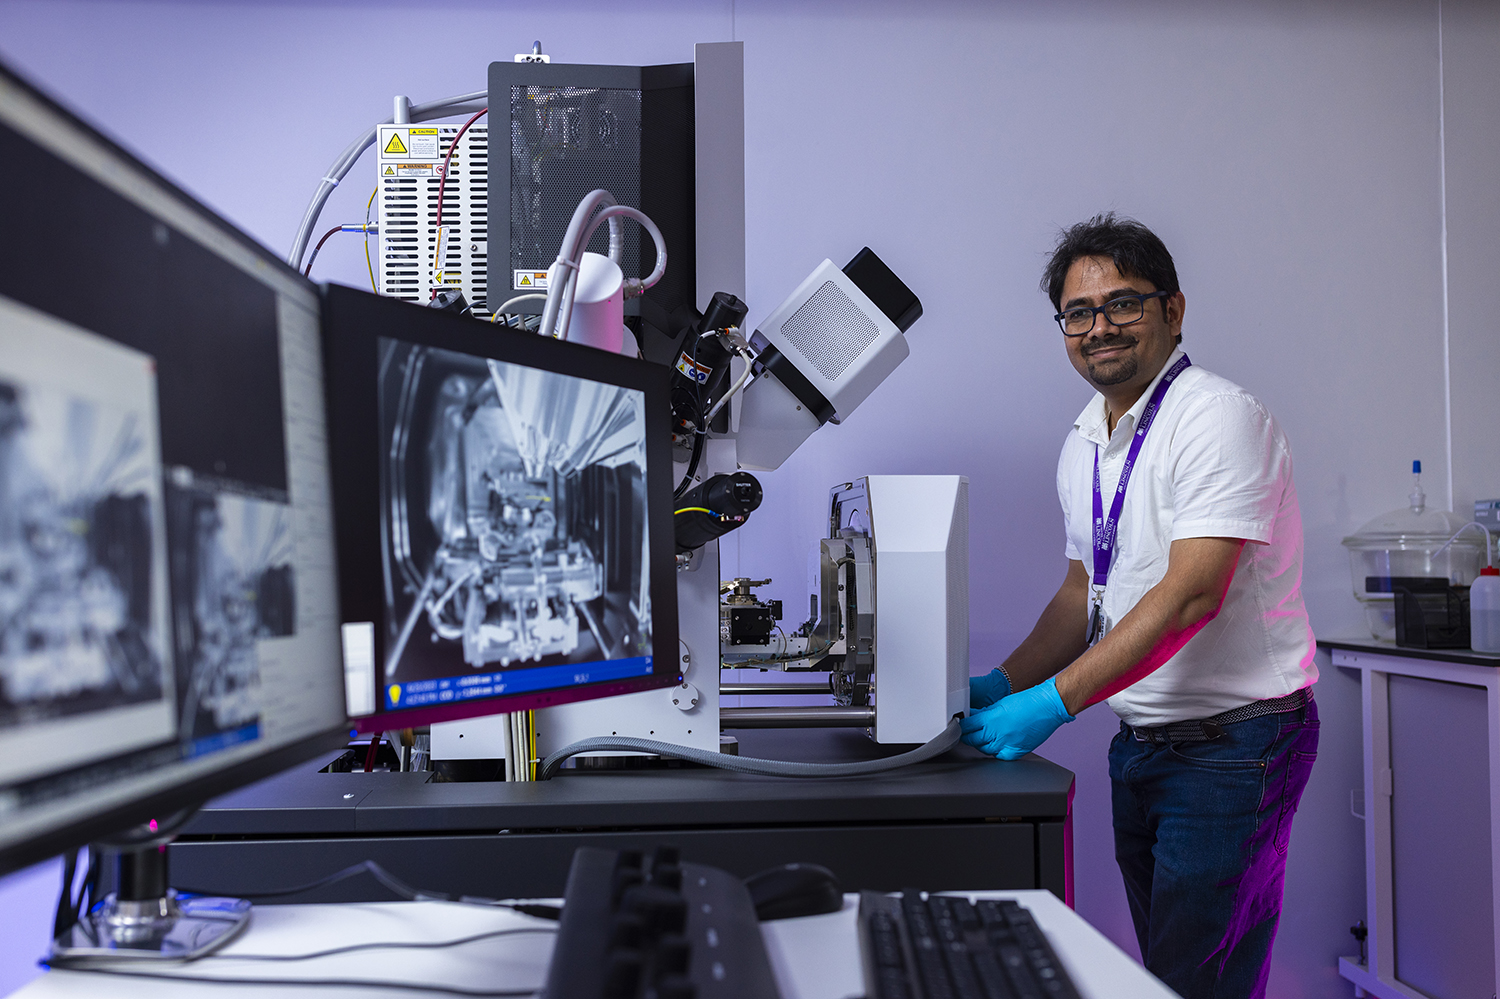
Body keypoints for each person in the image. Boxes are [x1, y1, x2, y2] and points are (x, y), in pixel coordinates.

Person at [962, 213, 1318, 999]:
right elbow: (1080, 592)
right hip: (1147, 743)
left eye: (1123, 304)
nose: (1100, 327)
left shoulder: (1217, 417)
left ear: (1173, 310)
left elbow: (1192, 592)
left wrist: (1053, 701)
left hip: (1235, 746)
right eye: (1079, 312)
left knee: (1195, 983)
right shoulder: (1087, 437)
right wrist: (1002, 681)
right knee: (1173, 973)